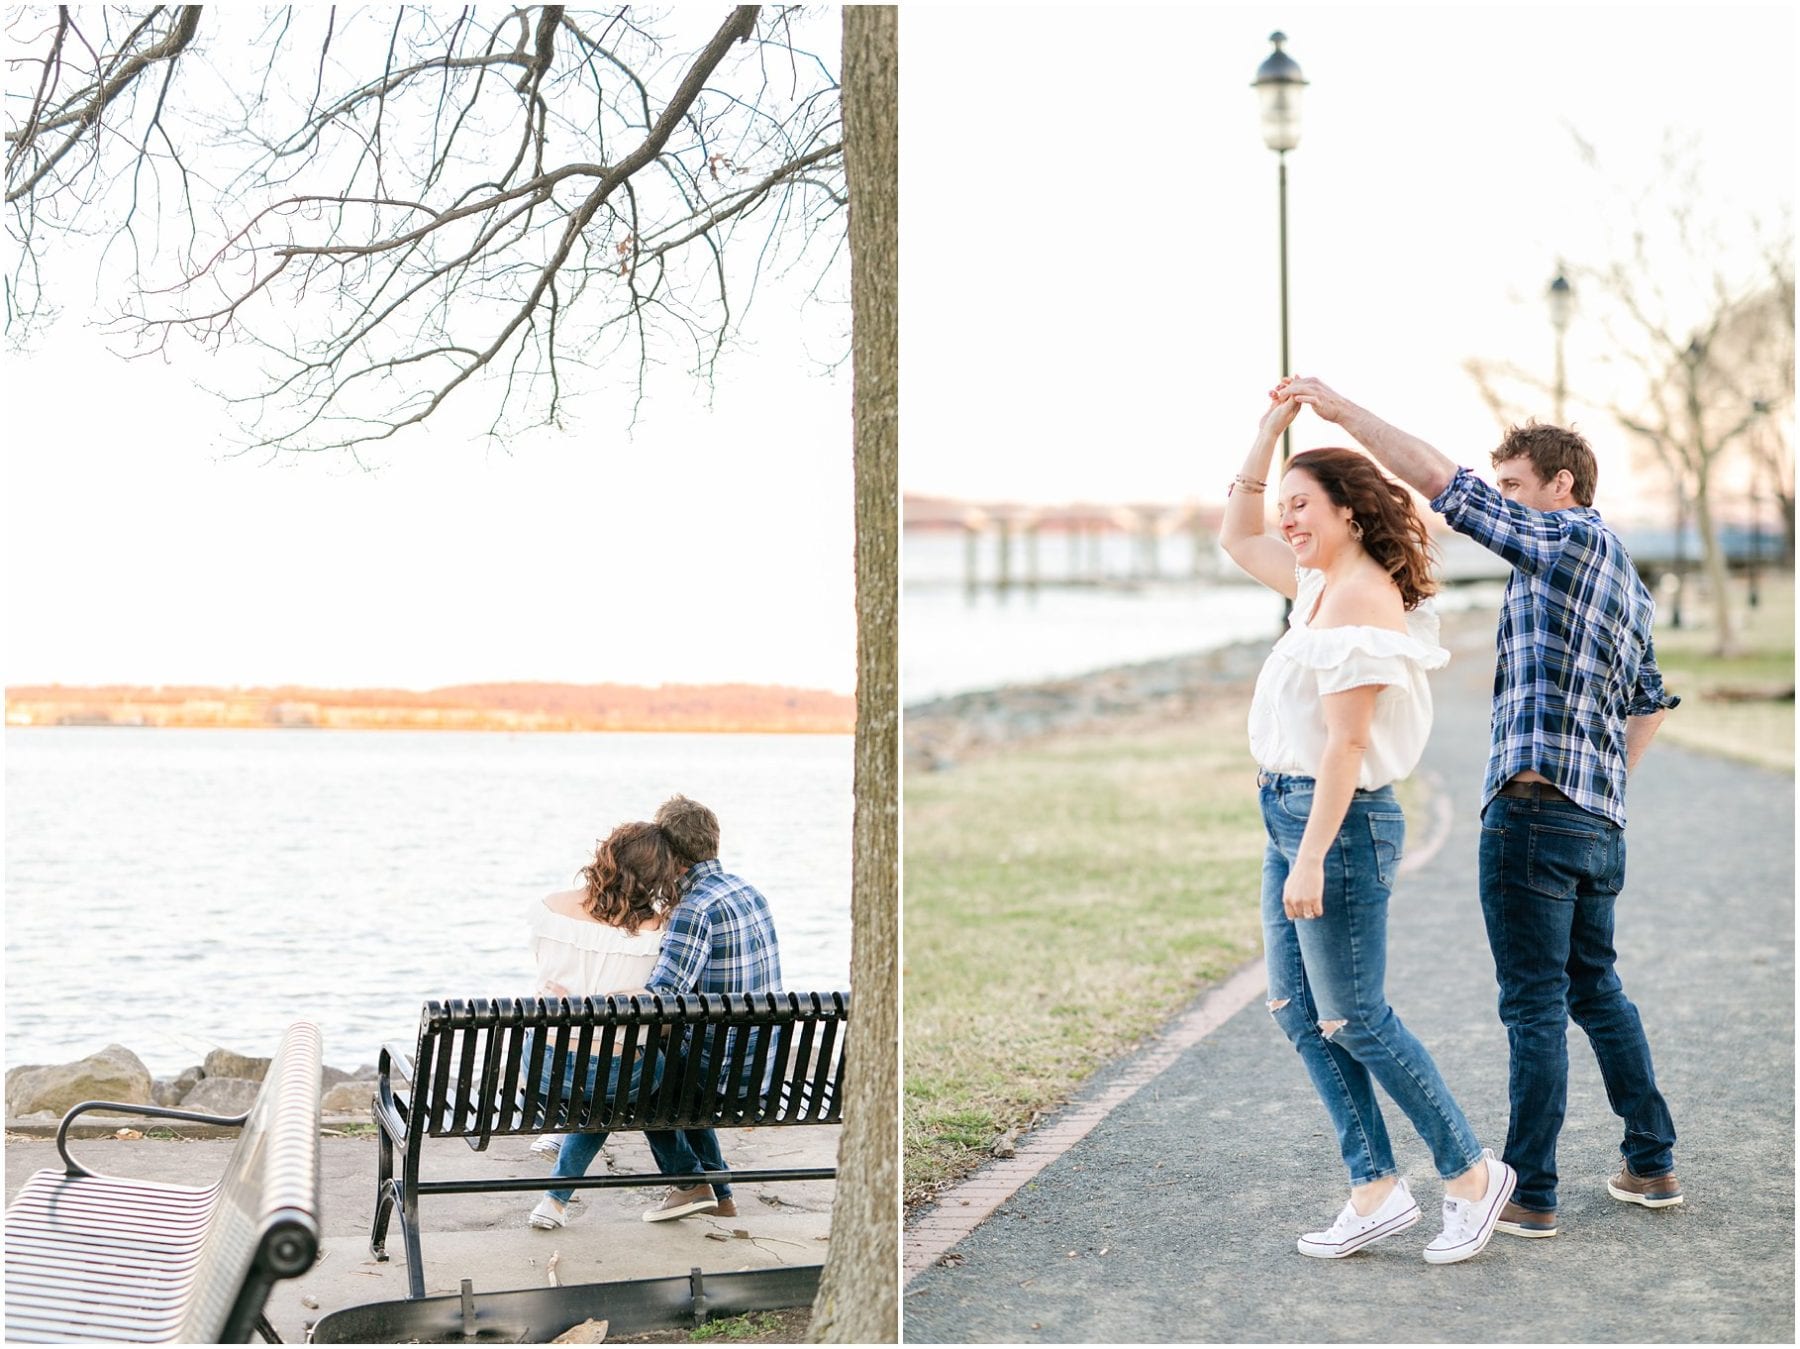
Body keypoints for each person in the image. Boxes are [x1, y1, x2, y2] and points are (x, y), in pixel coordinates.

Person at [1279, 375, 1682, 1239]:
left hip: (1535, 813)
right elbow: (1650, 697)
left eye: (1515, 487)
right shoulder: (1627, 578)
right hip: (1596, 819)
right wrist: (1605, 790)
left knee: (1532, 1003)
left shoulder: (1566, 539)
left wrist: (1344, 414)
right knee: (1596, 988)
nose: (1503, 504)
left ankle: (1528, 1190)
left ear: (1561, 486)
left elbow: (1446, 488)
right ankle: (1651, 1160)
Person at [1219, 389, 1515, 1264]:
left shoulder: (1360, 602)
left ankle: (1469, 1174)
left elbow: (1348, 744)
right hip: (1286, 811)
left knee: (1354, 1015)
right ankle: (1376, 1188)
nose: (1288, 524)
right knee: (1295, 1007)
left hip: (1333, 823)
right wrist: (1270, 433)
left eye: (1301, 507)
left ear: (1348, 510)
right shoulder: (1316, 585)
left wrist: (1309, 855)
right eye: (1286, 511)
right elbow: (1236, 537)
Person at [524, 820, 683, 1231]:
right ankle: (697, 1182)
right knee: (639, 1081)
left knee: (606, 1089)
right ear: (657, 876)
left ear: (605, 857)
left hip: (542, 1068)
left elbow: (544, 977)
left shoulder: (548, 909)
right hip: (613, 1075)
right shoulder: (659, 930)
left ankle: (560, 1168)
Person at [637, 793, 784, 1223]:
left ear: (669, 855)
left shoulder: (694, 907)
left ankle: (689, 1184)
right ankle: (720, 1196)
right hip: (761, 1065)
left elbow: (658, 1002)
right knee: (681, 1064)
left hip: (719, 1073)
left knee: (638, 1082)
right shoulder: (747, 890)